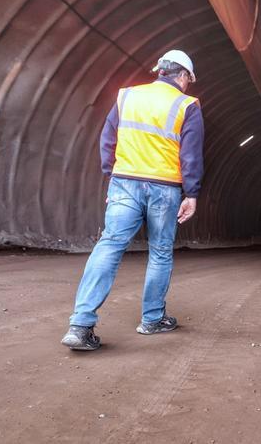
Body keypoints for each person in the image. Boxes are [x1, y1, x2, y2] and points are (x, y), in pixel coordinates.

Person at [61, 50, 204, 351]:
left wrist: (111, 176)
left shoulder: (126, 96)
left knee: (110, 244)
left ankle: (80, 325)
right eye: (189, 79)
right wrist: (191, 194)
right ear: (182, 76)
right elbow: (190, 155)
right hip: (165, 188)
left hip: (124, 182)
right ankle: (152, 319)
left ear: (159, 71)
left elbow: (107, 138)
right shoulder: (187, 105)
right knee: (161, 252)